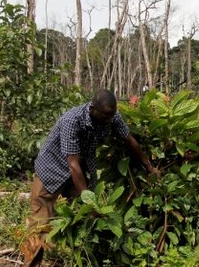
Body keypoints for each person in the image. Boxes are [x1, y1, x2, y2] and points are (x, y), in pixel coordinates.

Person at [20, 89, 160, 267]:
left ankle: (82, 261)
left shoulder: (112, 116)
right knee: (40, 223)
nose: (109, 120)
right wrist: (88, 201)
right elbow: (72, 163)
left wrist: (149, 167)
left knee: (86, 220)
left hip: (78, 172)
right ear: (93, 109)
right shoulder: (72, 120)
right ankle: (31, 264)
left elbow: (129, 139)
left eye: (111, 116)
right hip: (52, 169)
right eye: (105, 116)